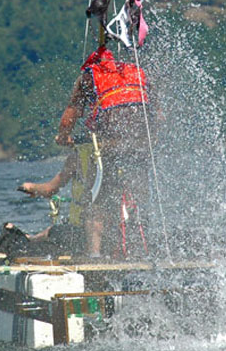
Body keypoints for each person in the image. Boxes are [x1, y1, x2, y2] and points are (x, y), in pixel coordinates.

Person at [53, 45, 152, 259]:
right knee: (138, 196)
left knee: (96, 199)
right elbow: (157, 115)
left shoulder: (90, 76)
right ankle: (139, 249)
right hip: (142, 145)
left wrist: (63, 136)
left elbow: (69, 116)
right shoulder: (136, 72)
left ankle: (95, 253)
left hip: (111, 146)